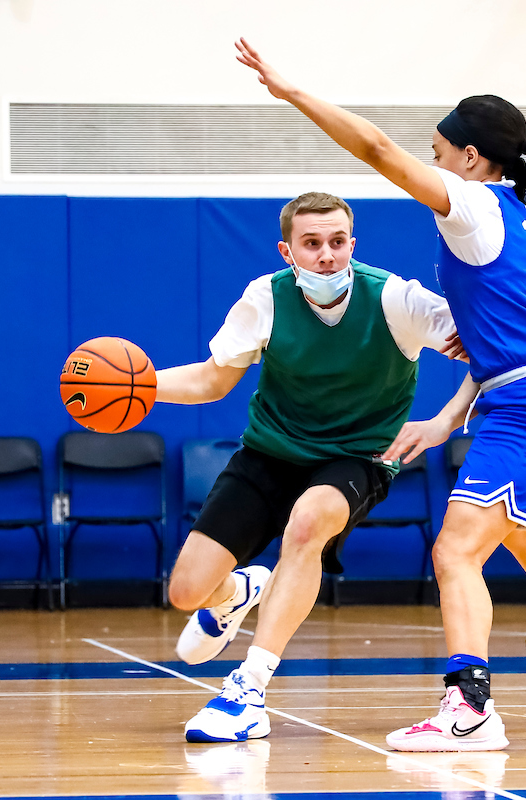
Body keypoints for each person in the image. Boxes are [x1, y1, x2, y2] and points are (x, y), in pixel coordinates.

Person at [235, 39, 526, 752]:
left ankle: (470, 708)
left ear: (471, 157)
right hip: (525, 393)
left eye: (438, 150)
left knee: (455, 552)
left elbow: (375, 148)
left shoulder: (468, 205)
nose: (431, 160)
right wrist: (460, 389)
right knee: (508, 522)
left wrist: (290, 92)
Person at [156, 191, 467, 743]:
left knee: (308, 523)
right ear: (287, 250)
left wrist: (444, 420)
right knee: (185, 592)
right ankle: (236, 593)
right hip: (269, 454)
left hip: (357, 457)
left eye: (337, 241)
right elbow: (211, 380)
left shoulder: (396, 300)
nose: (327, 254)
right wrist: (140, 384)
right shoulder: (265, 298)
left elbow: (492, 342)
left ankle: (247, 691)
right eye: (312, 243)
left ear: (352, 243)